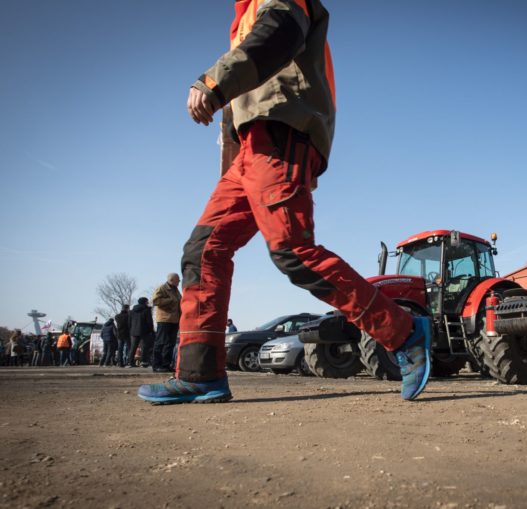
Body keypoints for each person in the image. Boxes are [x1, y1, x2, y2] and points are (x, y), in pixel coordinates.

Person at [138, 0, 430, 405]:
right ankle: (199, 374)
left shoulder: (275, 3)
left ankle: (404, 331)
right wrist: (228, 164)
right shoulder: (242, 18)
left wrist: (212, 81)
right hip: (248, 150)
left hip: (282, 128)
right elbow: (238, 100)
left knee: (292, 250)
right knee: (203, 249)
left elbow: (277, 36)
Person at [151, 273, 182, 373]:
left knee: (170, 343)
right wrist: (170, 300)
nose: (179, 282)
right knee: (160, 342)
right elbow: (155, 301)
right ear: (172, 280)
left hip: (174, 320)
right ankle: (157, 365)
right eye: (178, 280)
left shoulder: (176, 290)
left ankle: (166, 364)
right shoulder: (162, 288)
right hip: (164, 319)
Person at [129, 298, 155, 368]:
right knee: (144, 347)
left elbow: (129, 322)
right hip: (144, 331)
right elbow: (149, 321)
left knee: (133, 347)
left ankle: (130, 362)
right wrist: (151, 330)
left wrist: (131, 330)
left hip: (133, 331)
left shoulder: (132, 311)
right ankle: (144, 362)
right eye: (147, 301)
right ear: (145, 302)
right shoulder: (147, 310)